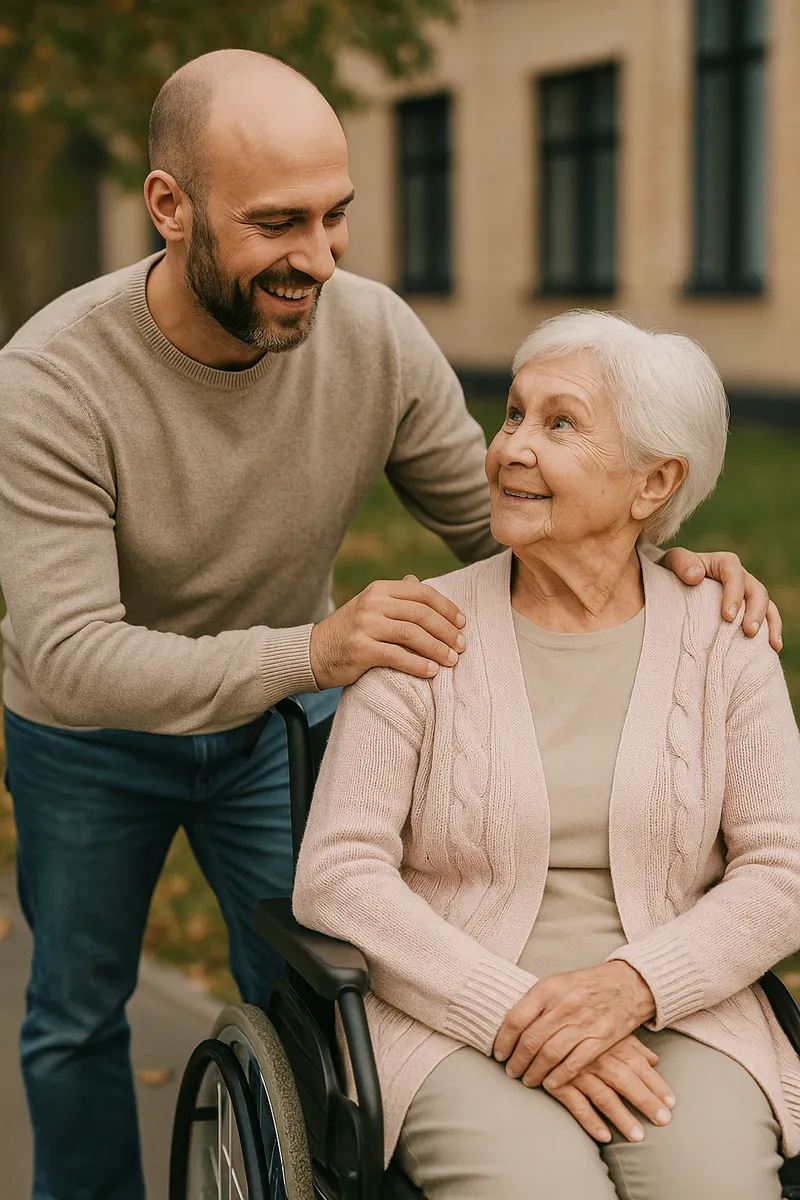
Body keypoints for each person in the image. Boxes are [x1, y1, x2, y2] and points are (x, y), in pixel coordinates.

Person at [0, 49, 781, 1200]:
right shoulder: (52, 378)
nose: (316, 258)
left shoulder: (365, 333)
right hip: (95, 734)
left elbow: (498, 512)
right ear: (170, 209)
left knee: (309, 1001)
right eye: (278, 223)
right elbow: (72, 654)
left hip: (276, 721)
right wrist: (311, 652)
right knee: (73, 1012)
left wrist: (658, 564)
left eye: (335, 217)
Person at [294, 311, 800, 1200]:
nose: (511, 448)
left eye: (559, 423)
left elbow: (785, 871)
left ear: (654, 483)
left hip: (680, 1012)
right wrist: (516, 1012)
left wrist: (631, 988)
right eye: (514, 415)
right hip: (453, 1014)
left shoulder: (724, 638)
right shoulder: (424, 633)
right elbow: (338, 874)